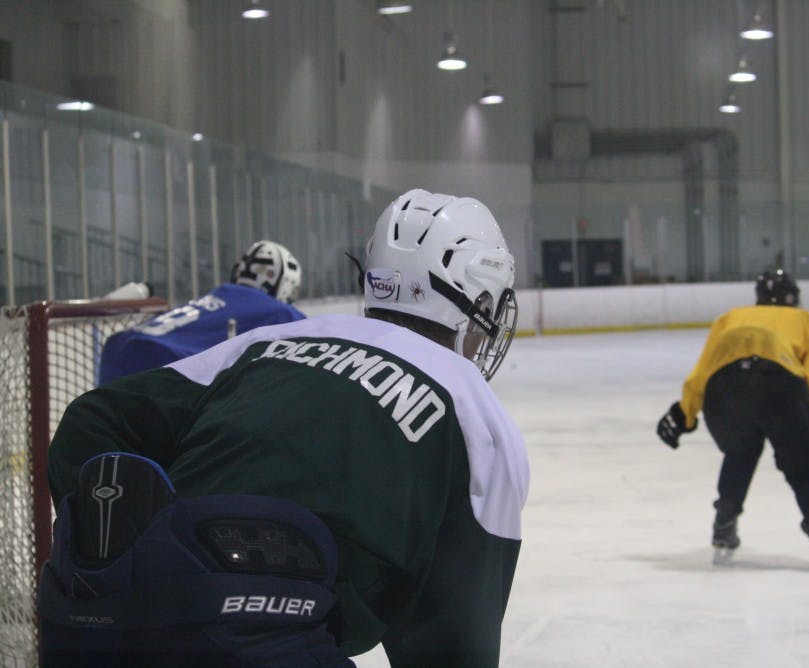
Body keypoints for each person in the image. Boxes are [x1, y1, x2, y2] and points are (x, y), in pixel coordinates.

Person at [39, 189, 528, 667]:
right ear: (476, 300)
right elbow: (454, 643)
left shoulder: (271, 340)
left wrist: (118, 546)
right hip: (266, 646)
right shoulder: (475, 416)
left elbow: (92, 421)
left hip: (95, 628)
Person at [655, 269, 809, 572]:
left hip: (724, 390)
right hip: (779, 385)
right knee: (803, 465)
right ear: (792, 297)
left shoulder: (729, 318)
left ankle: (724, 522)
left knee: (740, 451)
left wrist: (683, 413)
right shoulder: (806, 321)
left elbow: (701, 374)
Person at [97, 240, 306, 385]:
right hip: (163, 369)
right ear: (285, 283)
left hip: (117, 351)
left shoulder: (221, 295)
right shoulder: (278, 312)